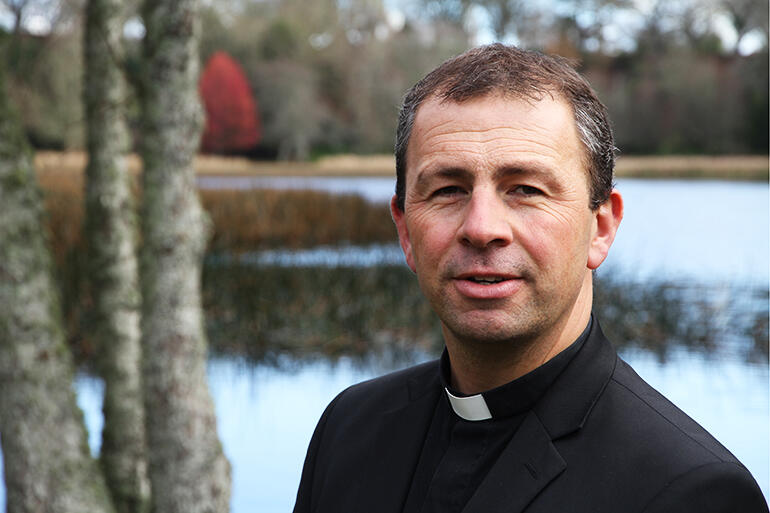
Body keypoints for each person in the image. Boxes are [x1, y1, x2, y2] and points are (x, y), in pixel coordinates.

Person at [293, 44, 768, 513]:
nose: (482, 228)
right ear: (405, 230)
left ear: (600, 229)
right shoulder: (349, 429)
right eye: (448, 190)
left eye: (525, 189)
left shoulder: (691, 493)